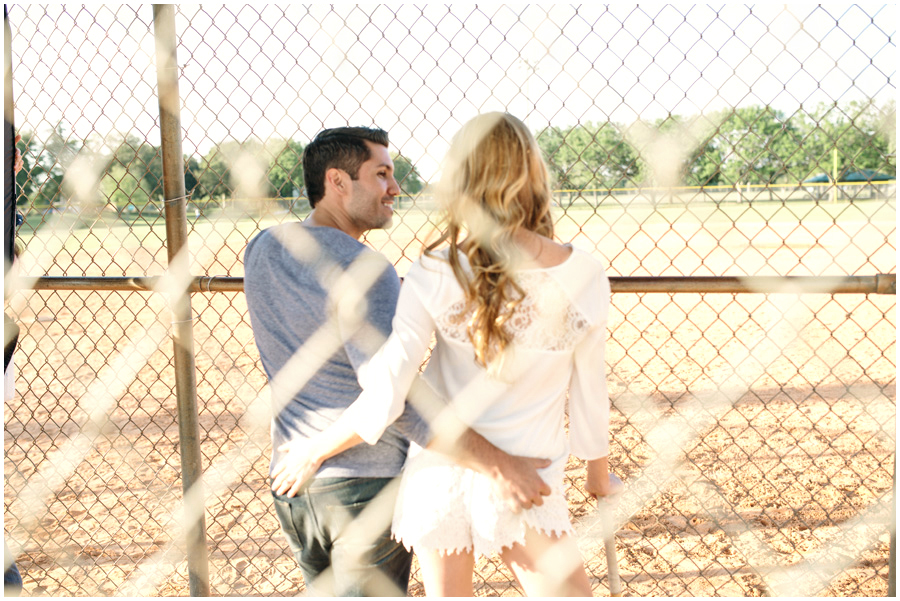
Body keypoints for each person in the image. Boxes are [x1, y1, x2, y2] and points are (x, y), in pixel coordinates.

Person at [296, 113, 618, 596]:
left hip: (440, 473)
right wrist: (597, 475)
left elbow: (390, 390)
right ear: (534, 175)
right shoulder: (584, 273)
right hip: (527, 479)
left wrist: (318, 448)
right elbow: (590, 393)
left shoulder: (434, 265)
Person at [243, 126, 553, 596]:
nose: (395, 187)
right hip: (363, 488)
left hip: (293, 485)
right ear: (337, 182)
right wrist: (498, 465)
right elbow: (395, 394)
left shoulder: (262, 249)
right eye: (381, 174)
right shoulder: (365, 268)